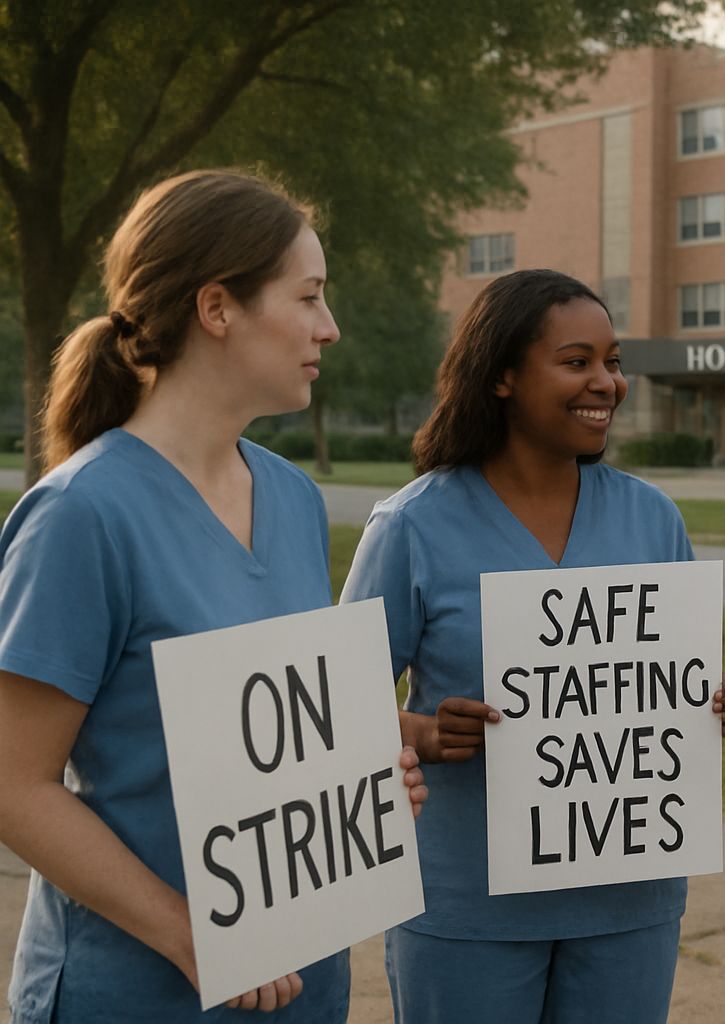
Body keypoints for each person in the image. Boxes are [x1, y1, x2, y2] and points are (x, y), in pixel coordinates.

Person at [0, 169, 427, 1022]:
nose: (330, 326)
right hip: (137, 992)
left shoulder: (294, 497)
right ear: (218, 308)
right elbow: (14, 783)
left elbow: (265, 732)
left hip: (306, 985)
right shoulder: (81, 514)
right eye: (308, 296)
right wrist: (190, 935)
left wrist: (361, 775)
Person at [340, 267, 725, 1023]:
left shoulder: (653, 518)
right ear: (501, 376)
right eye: (576, 361)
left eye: (613, 362)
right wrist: (422, 733)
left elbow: (660, 685)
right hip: (468, 906)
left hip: (630, 899)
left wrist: (710, 705)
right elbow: (332, 717)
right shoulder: (411, 527)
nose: (606, 383)